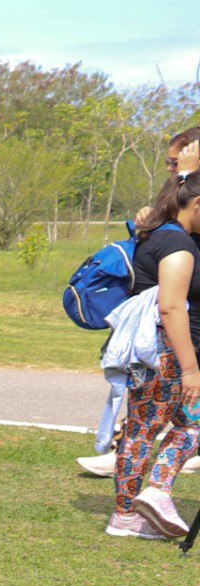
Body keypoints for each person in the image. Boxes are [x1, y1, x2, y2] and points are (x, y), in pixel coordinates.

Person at [108, 174, 200, 539]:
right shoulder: (176, 245)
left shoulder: (163, 234)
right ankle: (152, 494)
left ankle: (128, 513)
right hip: (167, 353)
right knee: (179, 427)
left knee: (145, 431)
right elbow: (172, 308)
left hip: (160, 353)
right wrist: (191, 368)